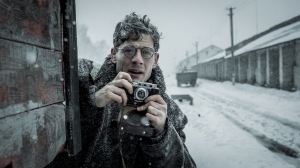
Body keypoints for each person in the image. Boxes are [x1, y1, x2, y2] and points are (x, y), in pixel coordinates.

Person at [48, 12, 196, 168]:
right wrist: (90, 103)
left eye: (146, 52)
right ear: (114, 54)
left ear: (155, 60)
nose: (137, 59)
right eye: (129, 50)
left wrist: (162, 134)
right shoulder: (82, 81)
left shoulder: (167, 110)